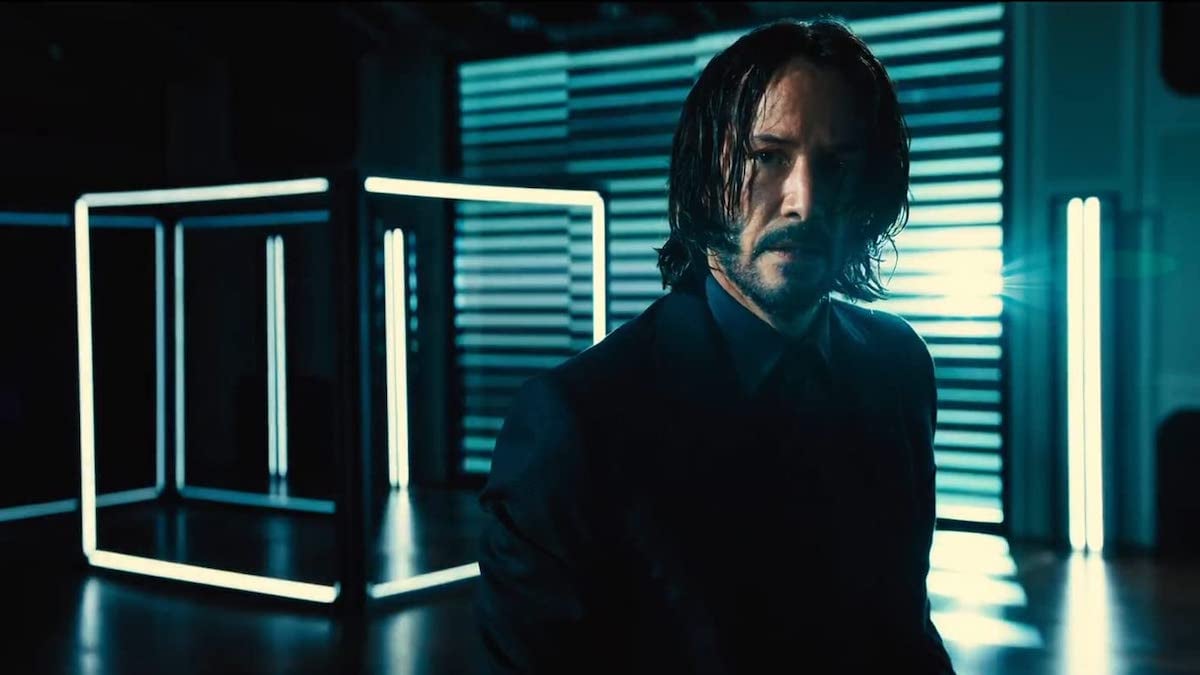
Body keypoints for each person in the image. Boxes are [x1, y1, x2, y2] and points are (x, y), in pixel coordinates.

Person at [474, 17, 955, 674]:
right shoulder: (576, 423)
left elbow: (906, 634)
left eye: (836, 164)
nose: (804, 201)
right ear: (705, 175)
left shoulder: (898, 365)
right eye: (768, 156)